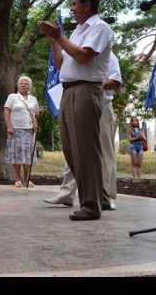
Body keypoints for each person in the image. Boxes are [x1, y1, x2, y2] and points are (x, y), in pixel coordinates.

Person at [39, 0, 114, 221]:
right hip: (69, 90)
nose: (71, 8)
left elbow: (84, 56)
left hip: (86, 90)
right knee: (72, 150)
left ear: (87, 5)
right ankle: (100, 197)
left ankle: (91, 206)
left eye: (75, 3)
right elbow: (63, 64)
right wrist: (54, 41)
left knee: (86, 151)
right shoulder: (80, 31)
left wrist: (61, 37)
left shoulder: (99, 27)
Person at [43, 52, 122, 209]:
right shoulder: (76, 55)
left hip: (102, 105)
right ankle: (67, 193)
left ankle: (106, 196)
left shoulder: (108, 56)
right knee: (75, 150)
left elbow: (116, 81)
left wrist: (90, 84)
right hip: (79, 104)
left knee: (104, 152)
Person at [4, 75, 42, 188]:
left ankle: (27, 179)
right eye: (21, 83)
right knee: (16, 155)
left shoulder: (33, 99)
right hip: (15, 130)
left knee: (28, 156)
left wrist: (40, 112)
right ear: (18, 85)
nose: (23, 85)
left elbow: (37, 116)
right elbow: (6, 112)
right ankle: (17, 179)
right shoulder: (12, 97)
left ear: (29, 86)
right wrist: (9, 126)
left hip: (29, 130)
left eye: (26, 83)